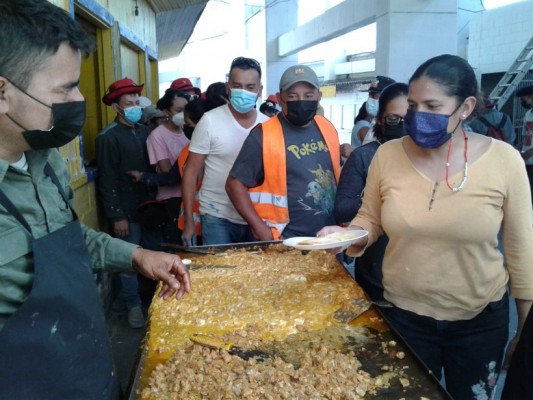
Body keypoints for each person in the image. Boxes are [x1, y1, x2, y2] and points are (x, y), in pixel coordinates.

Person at [0, 1, 190, 399]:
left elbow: (69, 239)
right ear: (2, 91)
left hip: (89, 370)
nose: (78, 100)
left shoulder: (45, 158)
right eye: (65, 88)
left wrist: (138, 256)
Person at [318, 54, 533, 399]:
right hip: (404, 318)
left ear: (466, 107)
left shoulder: (504, 160)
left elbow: (522, 251)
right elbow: (369, 219)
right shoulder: (387, 155)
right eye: (414, 105)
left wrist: (523, 330)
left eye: (433, 106)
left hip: (479, 324)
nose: (418, 117)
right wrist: (343, 236)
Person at [226, 64, 340, 240]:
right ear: (280, 99)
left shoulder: (327, 127)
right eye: (293, 96)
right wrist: (258, 227)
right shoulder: (263, 135)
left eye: (308, 96)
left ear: (319, 96)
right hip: (287, 239)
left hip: (329, 235)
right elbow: (234, 184)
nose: (301, 101)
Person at [181, 57, 269, 245]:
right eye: (238, 86)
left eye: (250, 87)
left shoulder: (268, 125)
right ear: (228, 88)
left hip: (257, 217)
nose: (243, 92)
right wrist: (189, 221)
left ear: (260, 91)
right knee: (221, 273)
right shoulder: (209, 121)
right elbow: (191, 172)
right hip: (216, 216)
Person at [334, 83, 408, 301]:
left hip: (421, 279)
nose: (402, 125)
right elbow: (342, 209)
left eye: (409, 117)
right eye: (394, 118)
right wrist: (384, 200)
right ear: (381, 119)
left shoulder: (431, 158)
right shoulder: (365, 157)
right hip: (377, 272)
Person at [96, 77, 155, 329]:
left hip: (150, 207)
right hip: (126, 211)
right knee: (129, 259)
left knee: (153, 253)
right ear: (116, 108)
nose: (134, 107)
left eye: (136, 102)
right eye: (128, 103)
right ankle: (132, 305)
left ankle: (152, 302)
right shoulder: (107, 138)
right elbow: (106, 179)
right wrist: (116, 215)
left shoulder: (145, 131)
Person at [146, 89, 190, 244]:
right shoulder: (157, 135)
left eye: (186, 109)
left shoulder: (186, 131)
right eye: (179, 110)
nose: (183, 114)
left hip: (189, 196)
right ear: (166, 111)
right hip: (172, 199)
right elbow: (166, 170)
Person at [361, 75, 395, 145]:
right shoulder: (375, 123)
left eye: (374, 95)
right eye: (369, 95)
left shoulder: (394, 128)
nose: (369, 99)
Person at [516, 85, 533, 203]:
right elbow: (526, 135)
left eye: (523, 99)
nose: (523, 102)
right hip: (528, 161)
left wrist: (530, 152)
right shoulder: (528, 114)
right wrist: (517, 147)